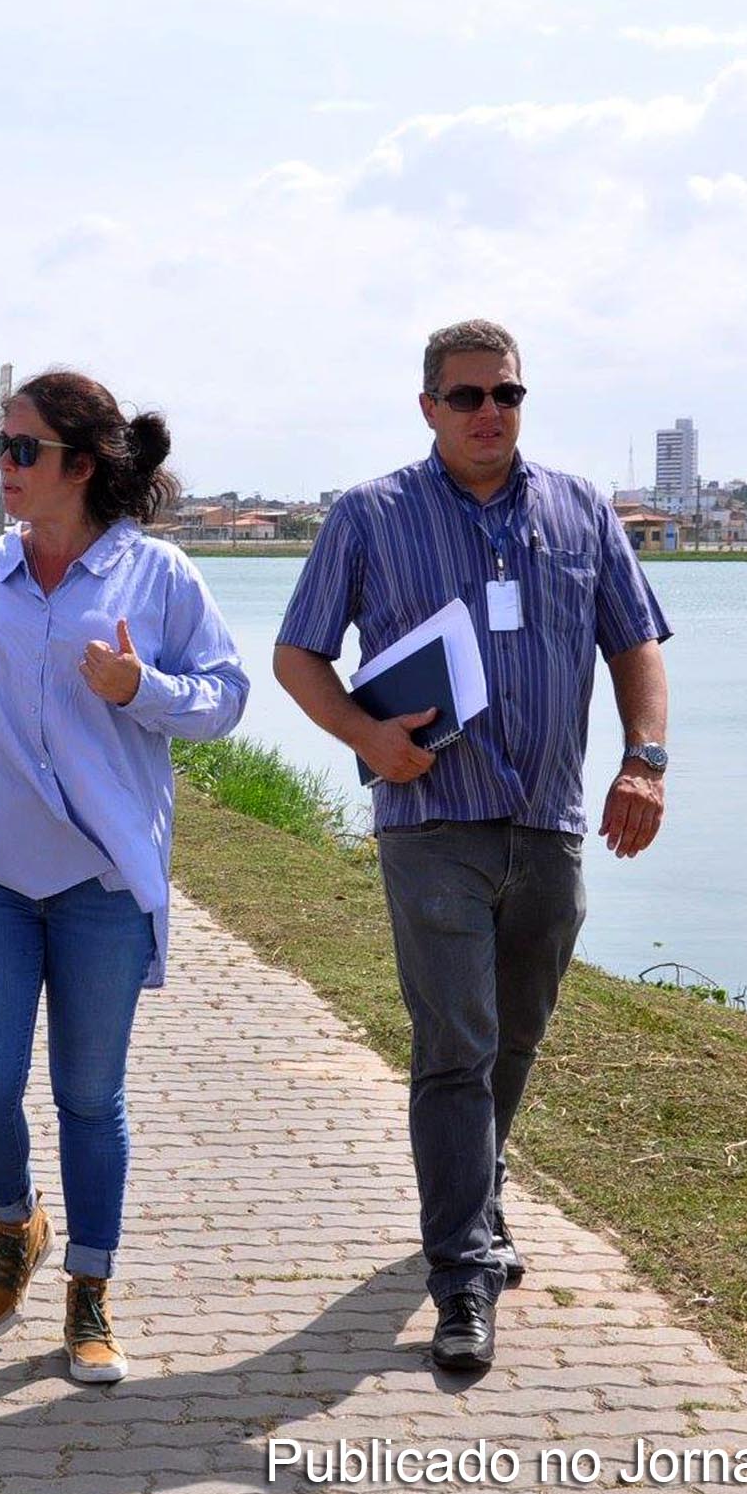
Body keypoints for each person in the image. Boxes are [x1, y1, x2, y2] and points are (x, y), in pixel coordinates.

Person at [272, 319, 671, 1374]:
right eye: (468, 396)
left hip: (549, 821)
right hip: (428, 825)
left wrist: (646, 760)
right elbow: (297, 654)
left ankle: (478, 1202)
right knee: (456, 1044)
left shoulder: (580, 508)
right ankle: (461, 1274)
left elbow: (634, 641)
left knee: (517, 1036)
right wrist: (364, 736)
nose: (491, 412)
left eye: (507, 394)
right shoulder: (370, 515)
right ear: (428, 408)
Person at [0, 370, 248, 1384]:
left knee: (90, 1095)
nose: (3, 467)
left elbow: (224, 699)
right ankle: (16, 1222)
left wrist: (145, 688)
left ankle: (89, 1293)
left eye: (22, 451)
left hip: (100, 884)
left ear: (80, 467)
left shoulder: (159, 578)